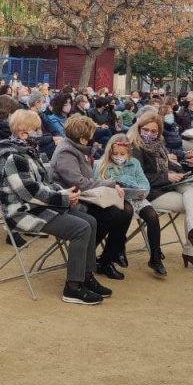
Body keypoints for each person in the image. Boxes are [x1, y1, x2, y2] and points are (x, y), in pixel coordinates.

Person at [0, 109, 111, 304]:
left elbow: (44, 183)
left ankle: (87, 276)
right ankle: (73, 287)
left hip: (38, 206)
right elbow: (30, 192)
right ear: (23, 133)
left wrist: (64, 193)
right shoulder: (13, 158)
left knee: (90, 221)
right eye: (37, 129)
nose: (41, 133)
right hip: (23, 212)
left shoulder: (27, 151)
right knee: (81, 228)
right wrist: (63, 198)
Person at [50, 115, 134, 279]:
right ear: (82, 139)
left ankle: (106, 259)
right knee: (115, 214)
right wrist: (109, 184)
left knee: (125, 210)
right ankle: (91, 258)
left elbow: (85, 181)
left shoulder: (76, 149)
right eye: (90, 136)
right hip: (70, 200)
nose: (92, 139)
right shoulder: (66, 152)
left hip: (84, 196)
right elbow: (78, 183)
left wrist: (108, 184)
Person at [128, 111, 193, 270]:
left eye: (154, 131)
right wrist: (166, 177)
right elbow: (138, 178)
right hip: (150, 192)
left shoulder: (158, 143)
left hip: (165, 184)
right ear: (139, 128)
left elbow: (165, 163)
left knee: (192, 185)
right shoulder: (134, 147)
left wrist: (181, 169)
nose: (149, 134)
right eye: (146, 129)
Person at [95, 134, 167, 276]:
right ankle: (117, 250)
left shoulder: (134, 163)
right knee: (124, 212)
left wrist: (143, 192)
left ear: (128, 153)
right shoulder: (102, 164)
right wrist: (121, 182)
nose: (119, 156)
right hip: (116, 198)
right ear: (109, 152)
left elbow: (143, 181)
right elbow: (99, 182)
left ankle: (156, 257)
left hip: (134, 197)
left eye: (122, 153)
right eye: (115, 153)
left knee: (152, 215)